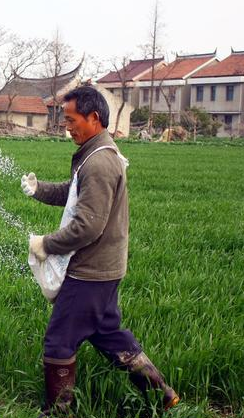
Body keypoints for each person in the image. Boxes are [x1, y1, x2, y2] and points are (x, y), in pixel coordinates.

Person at [21, 86, 179, 416]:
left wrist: (45, 245)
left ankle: (58, 410)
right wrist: (39, 191)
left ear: (94, 118)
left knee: (59, 341)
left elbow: (88, 227)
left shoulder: (100, 162)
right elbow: (75, 193)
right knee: (107, 333)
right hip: (106, 270)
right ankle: (162, 394)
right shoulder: (95, 153)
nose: (66, 126)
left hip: (90, 273)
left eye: (71, 119)